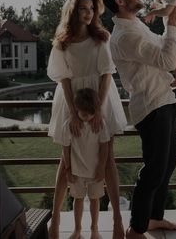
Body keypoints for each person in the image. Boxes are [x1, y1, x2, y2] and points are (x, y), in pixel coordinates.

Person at [103, 0, 176, 238]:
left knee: (167, 164)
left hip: (164, 99)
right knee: (154, 170)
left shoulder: (135, 24)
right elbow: (167, 59)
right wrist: (171, 24)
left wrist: (169, 24)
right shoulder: (124, 35)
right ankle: (136, 230)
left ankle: (153, 219)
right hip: (151, 107)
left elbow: (161, 45)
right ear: (120, 0)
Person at [47, 0, 127, 239]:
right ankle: (57, 218)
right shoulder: (63, 43)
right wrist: (73, 113)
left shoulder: (101, 39)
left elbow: (106, 75)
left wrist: (99, 110)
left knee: (108, 156)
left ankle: (116, 219)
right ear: (74, 11)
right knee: (67, 154)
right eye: (83, 8)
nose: (88, 13)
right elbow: (64, 79)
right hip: (71, 99)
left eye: (92, 8)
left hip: (100, 98)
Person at [62, 88, 110, 239]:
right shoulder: (69, 125)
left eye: (91, 114)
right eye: (84, 114)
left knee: (95, 200)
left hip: (95, 171)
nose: (88, 117)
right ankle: (77, 229)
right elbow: (65, 147)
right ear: (76, 109)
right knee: (78, 200)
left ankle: (94, 229)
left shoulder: (100, 124)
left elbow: (104, 146)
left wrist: (102, 167)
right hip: (77, 172)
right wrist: (68, 168)